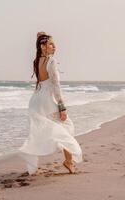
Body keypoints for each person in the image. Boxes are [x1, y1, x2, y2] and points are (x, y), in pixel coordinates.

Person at [18, 32, 83, 175]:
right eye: (51, 44)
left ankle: (33, 166)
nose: (55, 47)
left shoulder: (36, 61)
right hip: (47, 99)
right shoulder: (51, 61)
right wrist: (62, 106)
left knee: (39, 131)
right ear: (43, 46)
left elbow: (42, 82)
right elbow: (56, 85)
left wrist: (40, 37)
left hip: (36, 100)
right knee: (66, 127)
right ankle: (68, 162)